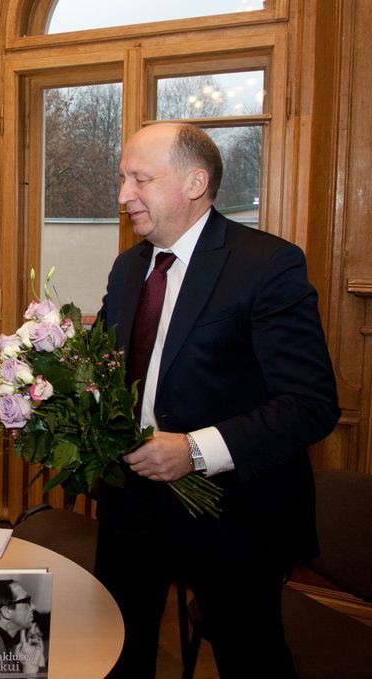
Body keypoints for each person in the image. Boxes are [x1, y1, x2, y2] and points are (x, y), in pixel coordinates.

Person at [97, 122, 340, 677]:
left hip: (235, 512)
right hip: (132, 503)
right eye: (122, 178)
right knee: (116, 647)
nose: (122, 195)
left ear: (194, 182)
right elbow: (114, 371)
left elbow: (310, 403)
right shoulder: (129, 266)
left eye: (139, 179)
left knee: (249, 657)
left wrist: (196, 450)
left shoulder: (266, 265)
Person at [0, 579, 43, 674]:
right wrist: (28, 672)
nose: (33, 607)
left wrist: (34, 664)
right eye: (27, 601)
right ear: (6, 612)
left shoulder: (13, 647)